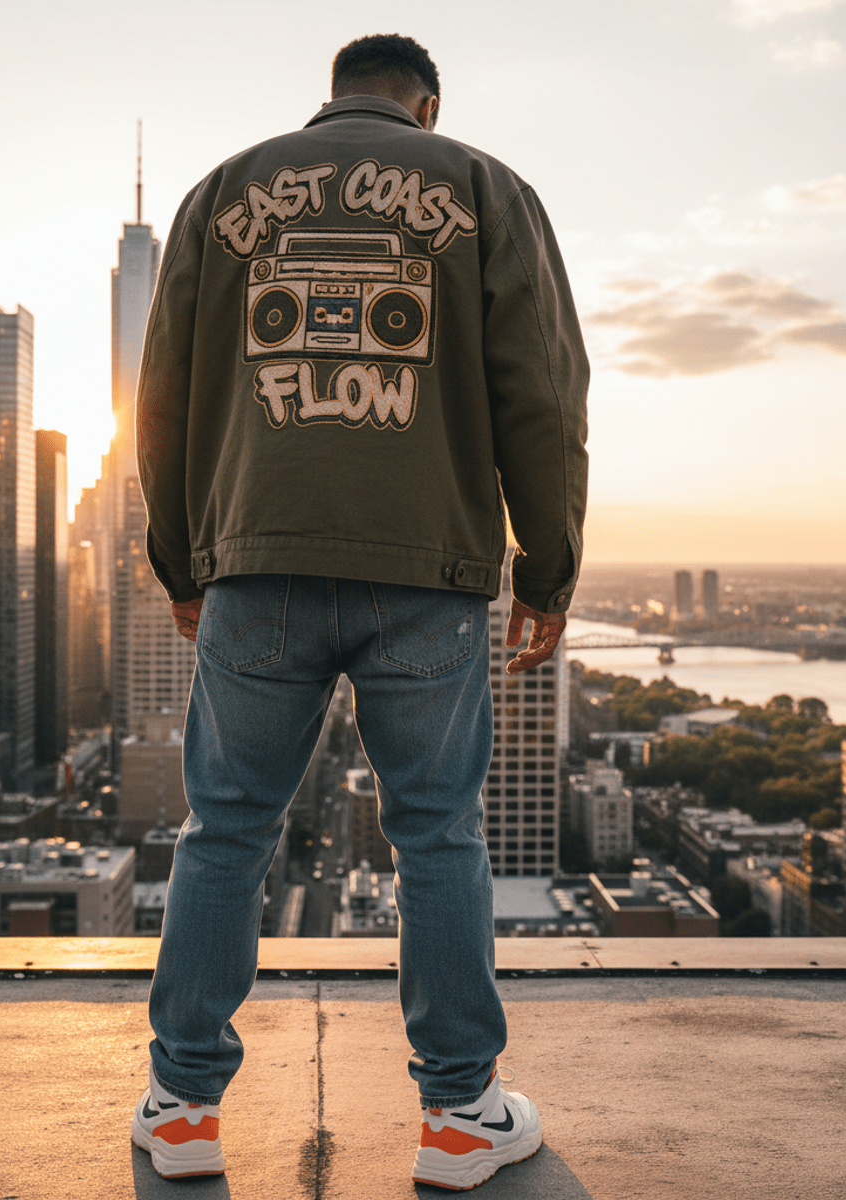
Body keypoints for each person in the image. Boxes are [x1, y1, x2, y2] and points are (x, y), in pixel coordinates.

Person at [130, 33, 588, 1190]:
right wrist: (548, 568)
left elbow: (163, 392)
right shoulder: (483, 187)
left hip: (259, 562)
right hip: (425, 571)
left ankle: (181, 1109)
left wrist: (184, 562)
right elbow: (541, 389)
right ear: (425, 104)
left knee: (224, 830)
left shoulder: (223, 192)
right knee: (438, 834)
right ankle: (459, 1118)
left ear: (330, 94)